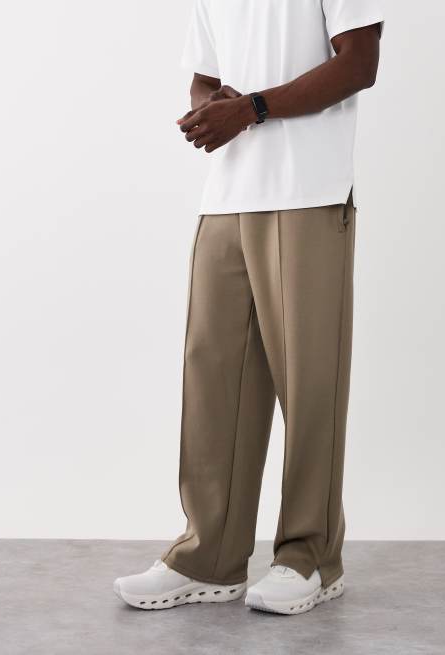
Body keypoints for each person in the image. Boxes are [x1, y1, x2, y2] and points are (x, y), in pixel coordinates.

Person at [114, 0, 384, 615]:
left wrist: (253, 108)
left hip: (309, 191)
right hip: (227, 195)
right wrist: (211, 106)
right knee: (213, 381)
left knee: (310, 385)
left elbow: (359, 63)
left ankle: (311, 557)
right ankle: (208, 557)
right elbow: (203, 75)